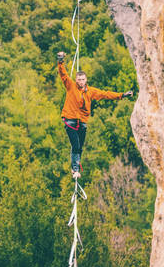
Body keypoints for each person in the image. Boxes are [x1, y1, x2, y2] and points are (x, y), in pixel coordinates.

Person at [57, 51, 133, 179]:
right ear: (76, 80)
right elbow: (63, 75)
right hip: (70, 120)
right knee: (75, 145)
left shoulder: (90, 91)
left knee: (79, 147)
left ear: (86, 80)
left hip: (82, 122)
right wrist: (60, 61)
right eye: (79, 79)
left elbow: (105, 94)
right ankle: (75, 169)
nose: (80, 81)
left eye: (82, 79)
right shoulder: (70, 86)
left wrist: (122, 95)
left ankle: (75, 166)